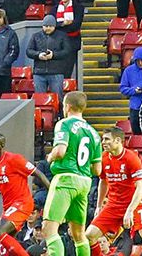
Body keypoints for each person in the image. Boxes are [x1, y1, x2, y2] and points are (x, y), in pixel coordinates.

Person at [86, 130, 142, 256]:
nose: (103, 142)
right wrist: (98, 206)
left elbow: (140, 186)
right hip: (113, 205)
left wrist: (130, 210)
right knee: (90, 235)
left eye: (107, 139)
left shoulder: (131, 158)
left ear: (118, 141)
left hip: (133, 203)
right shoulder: (104, 158)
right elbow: (103, 181)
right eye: (103, 139)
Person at [42, 92, 100, 256]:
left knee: (49, 229)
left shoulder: (64, 124)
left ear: (67, 106)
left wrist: (50, 156)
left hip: (66, 178)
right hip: (84, 182)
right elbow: (98, 170)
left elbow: (60, 151)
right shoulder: (93, 132)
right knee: (79, 234)